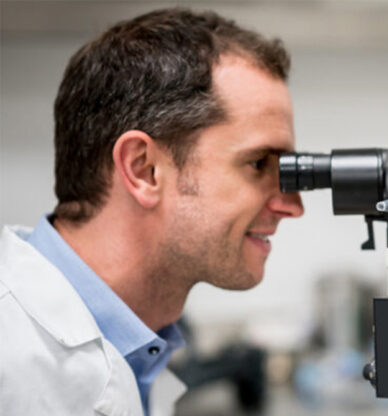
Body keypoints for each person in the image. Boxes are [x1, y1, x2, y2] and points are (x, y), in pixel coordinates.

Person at [0, 8, 304, 416]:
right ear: (143, 169)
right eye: (258, 165)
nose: (292, 206)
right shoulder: (11, 359)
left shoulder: (140, 353)